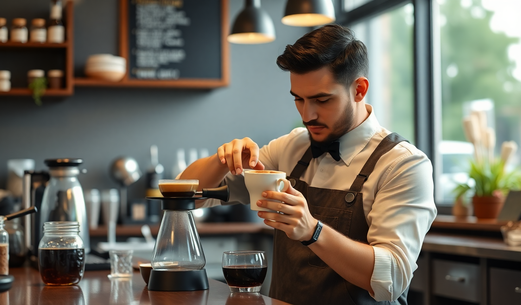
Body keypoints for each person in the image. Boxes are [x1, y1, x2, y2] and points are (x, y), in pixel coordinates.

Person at [180, 24, 437, 304]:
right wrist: (222, 161)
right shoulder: (291, 148)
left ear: (359, 89)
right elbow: (187, 195)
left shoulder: (402, 165)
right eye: (298, 99)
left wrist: (313, 231)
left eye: (321, 100)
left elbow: (393, 279)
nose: (307, 114)